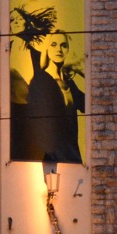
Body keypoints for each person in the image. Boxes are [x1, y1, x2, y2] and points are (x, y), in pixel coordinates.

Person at [23, 30, 85, 164]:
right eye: (54, 45)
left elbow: (90, 104)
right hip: (53, 157)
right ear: (47, 49)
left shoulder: (70, 83)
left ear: (68, 49)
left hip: (73, 155)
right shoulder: (41, 80)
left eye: (63, 45)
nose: (59, 49)